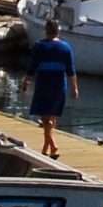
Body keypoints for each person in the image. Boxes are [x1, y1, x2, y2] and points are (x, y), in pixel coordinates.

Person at [26, 21, 78, 158]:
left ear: (46, 30)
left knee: (46, 118)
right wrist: (74, 88)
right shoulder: (66, 48)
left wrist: (25, 81)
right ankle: (45, 147)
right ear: (58, 31)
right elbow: (70, 70)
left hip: (44, 82)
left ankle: (53, 146)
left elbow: (32, 66)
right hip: (59, 83)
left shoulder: (39, 46)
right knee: (52, 116)